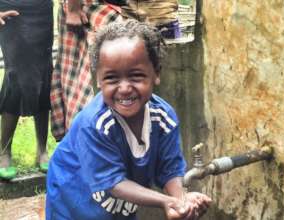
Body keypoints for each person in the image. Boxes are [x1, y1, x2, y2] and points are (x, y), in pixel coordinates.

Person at [46, 20, 211, 220]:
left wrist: (181, 202)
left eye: (136, 76)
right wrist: (167, 201)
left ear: (156, 73)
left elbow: (169, 168)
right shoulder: (94, 125)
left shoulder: (163, 119)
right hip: (73, 196)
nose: (124, 88)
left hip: (118, 206)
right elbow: (114, 183)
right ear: (98, 79)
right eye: (112, 79)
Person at [50, 0, 122, 141]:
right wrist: (73, 9)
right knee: (84, 81)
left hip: (115, 6)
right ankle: (82, 138)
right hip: (89, 7)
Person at [0, 0, 53, 179]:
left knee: (43, 74)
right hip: (10, 8)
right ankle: (4, 151)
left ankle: (42, 149)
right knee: (15, 75)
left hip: (42, 10)